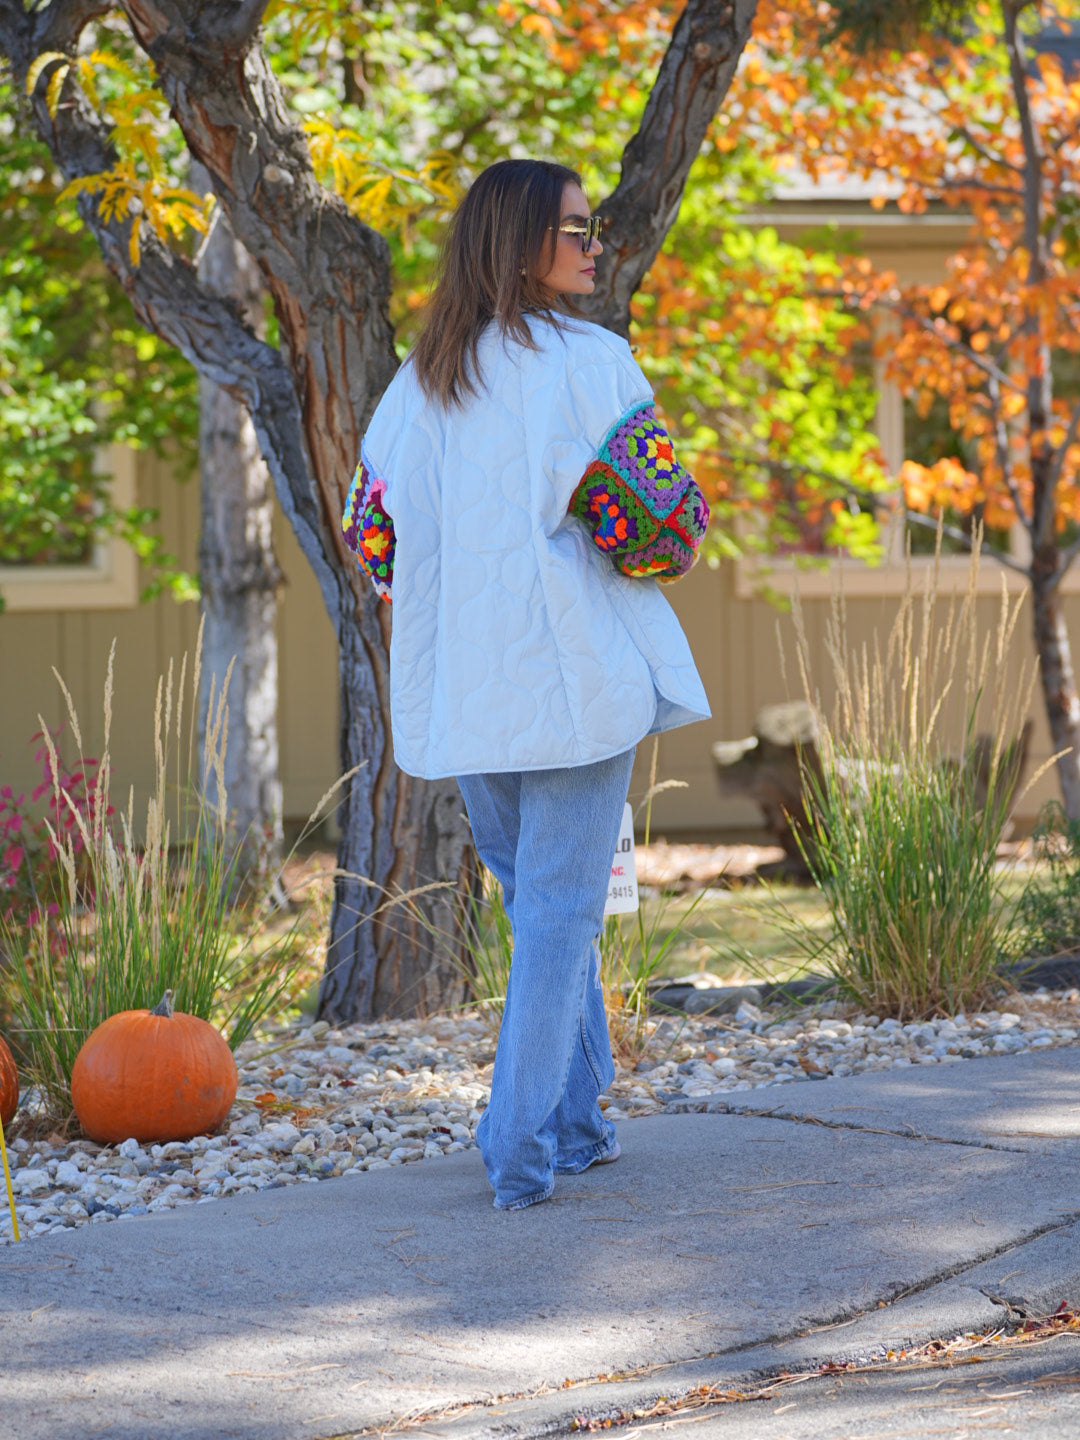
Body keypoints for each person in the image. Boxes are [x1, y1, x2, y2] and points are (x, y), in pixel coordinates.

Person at [342, 158, 710, 1210]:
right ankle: (514, 1142)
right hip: (574, 680)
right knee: (560, 913)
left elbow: (375, 541)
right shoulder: (589, 364)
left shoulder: (419, 384)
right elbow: (653, 527)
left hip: (467, 692)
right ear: (520, 245)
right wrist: (676, 546)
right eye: (577, 231)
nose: (596, 247)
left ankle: (579, 1120)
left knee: (541, 909)